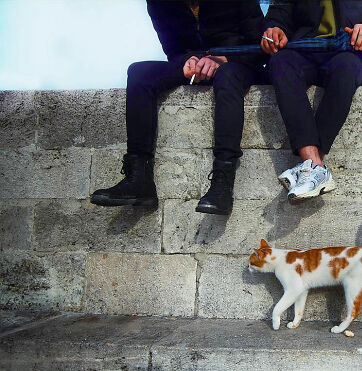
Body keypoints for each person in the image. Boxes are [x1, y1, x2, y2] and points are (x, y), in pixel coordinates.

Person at [91, 0, 265, 215]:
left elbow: (260, 47)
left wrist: (222, 59)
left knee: (227, 76)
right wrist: (188, 61)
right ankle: (138, 179)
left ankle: (222, 184)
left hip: (238, 65)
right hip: (192, 66)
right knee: (138, 73)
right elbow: (173, 50)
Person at [261, 0, 362, 201]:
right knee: (280, 63)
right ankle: (314, 165)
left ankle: (312, 166)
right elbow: (276, 17)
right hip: (301, 54)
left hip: (345, 56)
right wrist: (273, 31)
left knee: (348, 67)